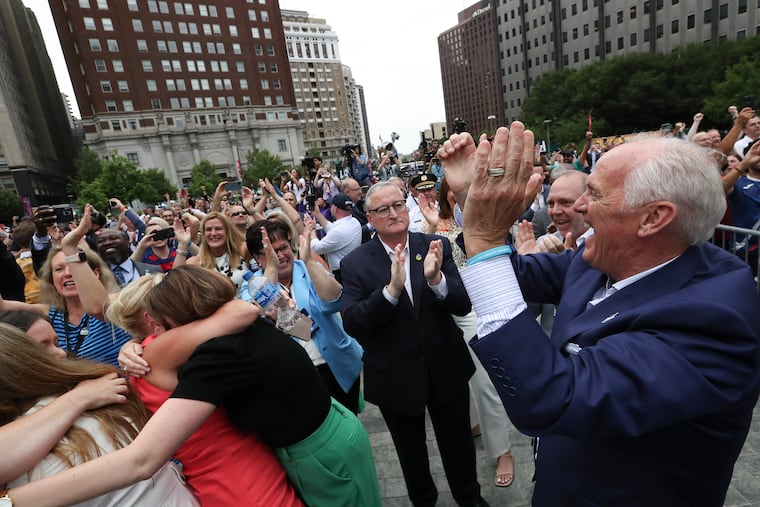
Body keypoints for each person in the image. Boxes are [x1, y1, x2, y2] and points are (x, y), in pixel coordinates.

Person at [438, 121, 760, 506]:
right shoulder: (599, 259)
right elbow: (511, 276)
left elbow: (552, 398)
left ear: (653, 218)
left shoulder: (716, 321)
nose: (579, 206)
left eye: (595, 194)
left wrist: (485, 238)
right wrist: (471, 200)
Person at [7, 265, 381, 507]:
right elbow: (288, 324)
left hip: (296, 457)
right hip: (316, 434)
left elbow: (141, 459)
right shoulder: (205, 342)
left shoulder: (206, 351)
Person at [340, 181, 488, 507]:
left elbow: (463, 304)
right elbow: (352, 322)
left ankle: (470, 497)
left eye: (398, 205)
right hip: (395, 375)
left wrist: (437, 281)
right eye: (383, 209)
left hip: (445, 367)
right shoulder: (355, 264)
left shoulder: (435, 245)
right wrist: (390, 292)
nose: (394, 213)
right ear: (369, 217)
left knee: (459, 444)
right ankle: (424, 501)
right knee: (410, 453)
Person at [0, 323, 199, 506]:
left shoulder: (97, 392)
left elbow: (140, 463)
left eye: (57, 342)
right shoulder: (97, 387)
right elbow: (139, 463)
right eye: (44, 345)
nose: (60, 352)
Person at [417, 177, 516, 488]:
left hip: (474, 306)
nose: (463, 195)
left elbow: (485, 252)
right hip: (440, 304)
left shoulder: (482, 221)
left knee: (486, 381)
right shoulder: (429, 223)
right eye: (455, 191)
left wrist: (445, 228)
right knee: (454, 374)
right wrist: (433, 227)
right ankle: (476, 424)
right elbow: (422, 260)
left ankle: (502, 450)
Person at [244, 220, 364, 414]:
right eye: (272, 252)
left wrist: (309, 261)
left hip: (337, 366)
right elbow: (262, 318)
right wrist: (272, 269)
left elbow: (335, 302)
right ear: (258, 258)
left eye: (284, 248)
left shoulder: (307, 268)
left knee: (348, 424)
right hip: (297, 375)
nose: (281, 256)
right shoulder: (250, 285)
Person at [1, 207, 131, 367]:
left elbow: (98, 307)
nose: (68, 273)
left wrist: (70, 247)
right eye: (59, 269)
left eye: (73, 266)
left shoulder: (117, 303)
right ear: (52, 280)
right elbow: (2, 306)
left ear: (95, 273)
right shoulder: (50, 314)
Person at [187, 211, 249, 290]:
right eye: (208, 229)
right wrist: (182, 245)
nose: (213, 233)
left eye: (218, 228)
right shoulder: (194, 263)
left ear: (228, 231)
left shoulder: (242, 250)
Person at [307, 193, 361, 282]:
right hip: (353, 269)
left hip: (342, 274)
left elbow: (316, 248)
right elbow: (332, 229)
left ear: (335, 208)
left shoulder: (338, 231)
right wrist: (317, 214)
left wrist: (312, 229)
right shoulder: (354, 222)